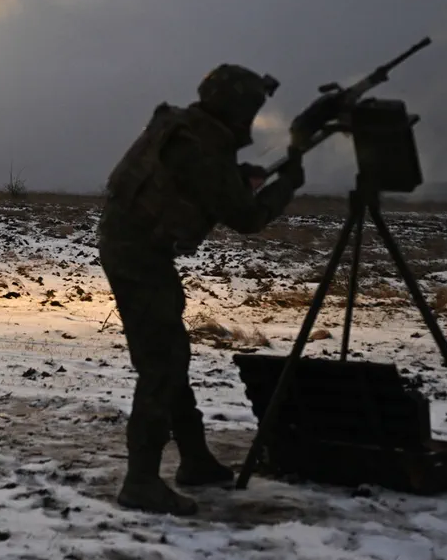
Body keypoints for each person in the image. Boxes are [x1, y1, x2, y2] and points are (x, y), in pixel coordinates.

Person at [97, 63, 306, 515]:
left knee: (170, 354)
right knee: (161, 364)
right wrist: (286, 185)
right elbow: (246, 217)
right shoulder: (203, 145)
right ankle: (141, 481)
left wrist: (240, 178)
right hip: (139, 254)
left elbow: (193, 182)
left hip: (136, 248)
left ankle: (194, 459)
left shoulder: (186, 127)